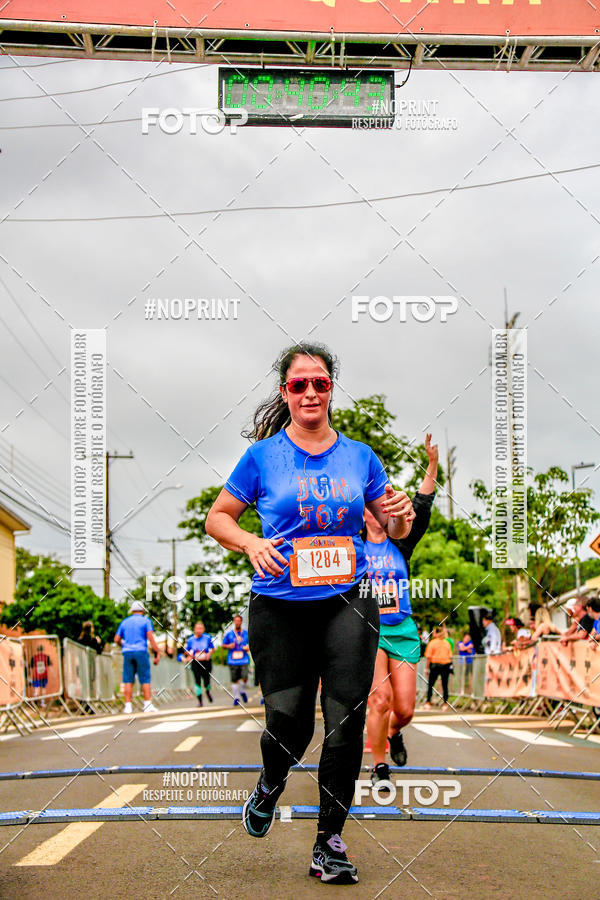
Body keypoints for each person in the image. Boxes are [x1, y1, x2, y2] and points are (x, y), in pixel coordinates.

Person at [205, 341, 413, 886]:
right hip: (279, 605)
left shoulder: (361, 456)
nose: (310, 392)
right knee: (289, 727)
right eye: (299, 384)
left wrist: (401, 516)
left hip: (349, 600)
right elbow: (218, 517)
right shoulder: (262, 458)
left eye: (320, 383)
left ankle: (329, 842)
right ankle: (271, 781)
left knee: (344, 724)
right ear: (285, 393)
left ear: (330, 390)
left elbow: (392, 526)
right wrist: (250, 543)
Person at [365, 432, 437, 788]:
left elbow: (423, 502)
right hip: (370, 632)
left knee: (404, 708)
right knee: (380, 698)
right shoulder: (353, 546)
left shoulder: (401, 542)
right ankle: (379, 765)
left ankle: (394, 732)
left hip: (403, 630)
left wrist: (433, 463)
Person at [114, 600, 161, 714]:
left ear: (132, 611)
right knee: (145, 678)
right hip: (141, 651)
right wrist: (157, 652)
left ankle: (128, 706)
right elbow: (150, 637)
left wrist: (124, 645)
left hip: (127, 652)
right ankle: (147, 704)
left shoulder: (125, 622)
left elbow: (116, 639)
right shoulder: (146, 621)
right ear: (142, 611)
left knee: (128, 679)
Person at [222, 614, 250, 706]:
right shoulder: (229, 634)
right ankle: (236, 698)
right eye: (236, 621)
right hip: (232, 660)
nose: (237, 622)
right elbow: (223, 645)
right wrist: (228, 646)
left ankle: (242, 690)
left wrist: (247, 648)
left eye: (239, 621)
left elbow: (251, 644)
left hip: (244, 659)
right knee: (235, 679)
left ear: (241, 622)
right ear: (234, 622)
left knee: (245, 677)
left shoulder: (246, 633)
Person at [184, 620, 214, 706]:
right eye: (197, 628)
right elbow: (186, 650)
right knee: (197, 681)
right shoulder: (191, 640)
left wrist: (209, 654)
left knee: (206, 680)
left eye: (201, 628)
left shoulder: (207, 638)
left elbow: (212, 648)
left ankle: (208, 691)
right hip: (196, 662)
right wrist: (190, 654)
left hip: (206, 662)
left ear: (203, 629)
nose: (199, 630)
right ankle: (200, 701)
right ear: (194, 629)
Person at [423, 626, 453, 710]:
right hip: (446, 665)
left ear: (435, 633)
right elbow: (450, 655)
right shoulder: (446, 643)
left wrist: (426, 668)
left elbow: (428, 656)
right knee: (445, 685)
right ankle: (445, 704)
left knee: (431, 684)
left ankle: (428, 702)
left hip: (435, 665)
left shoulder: (432, 643)